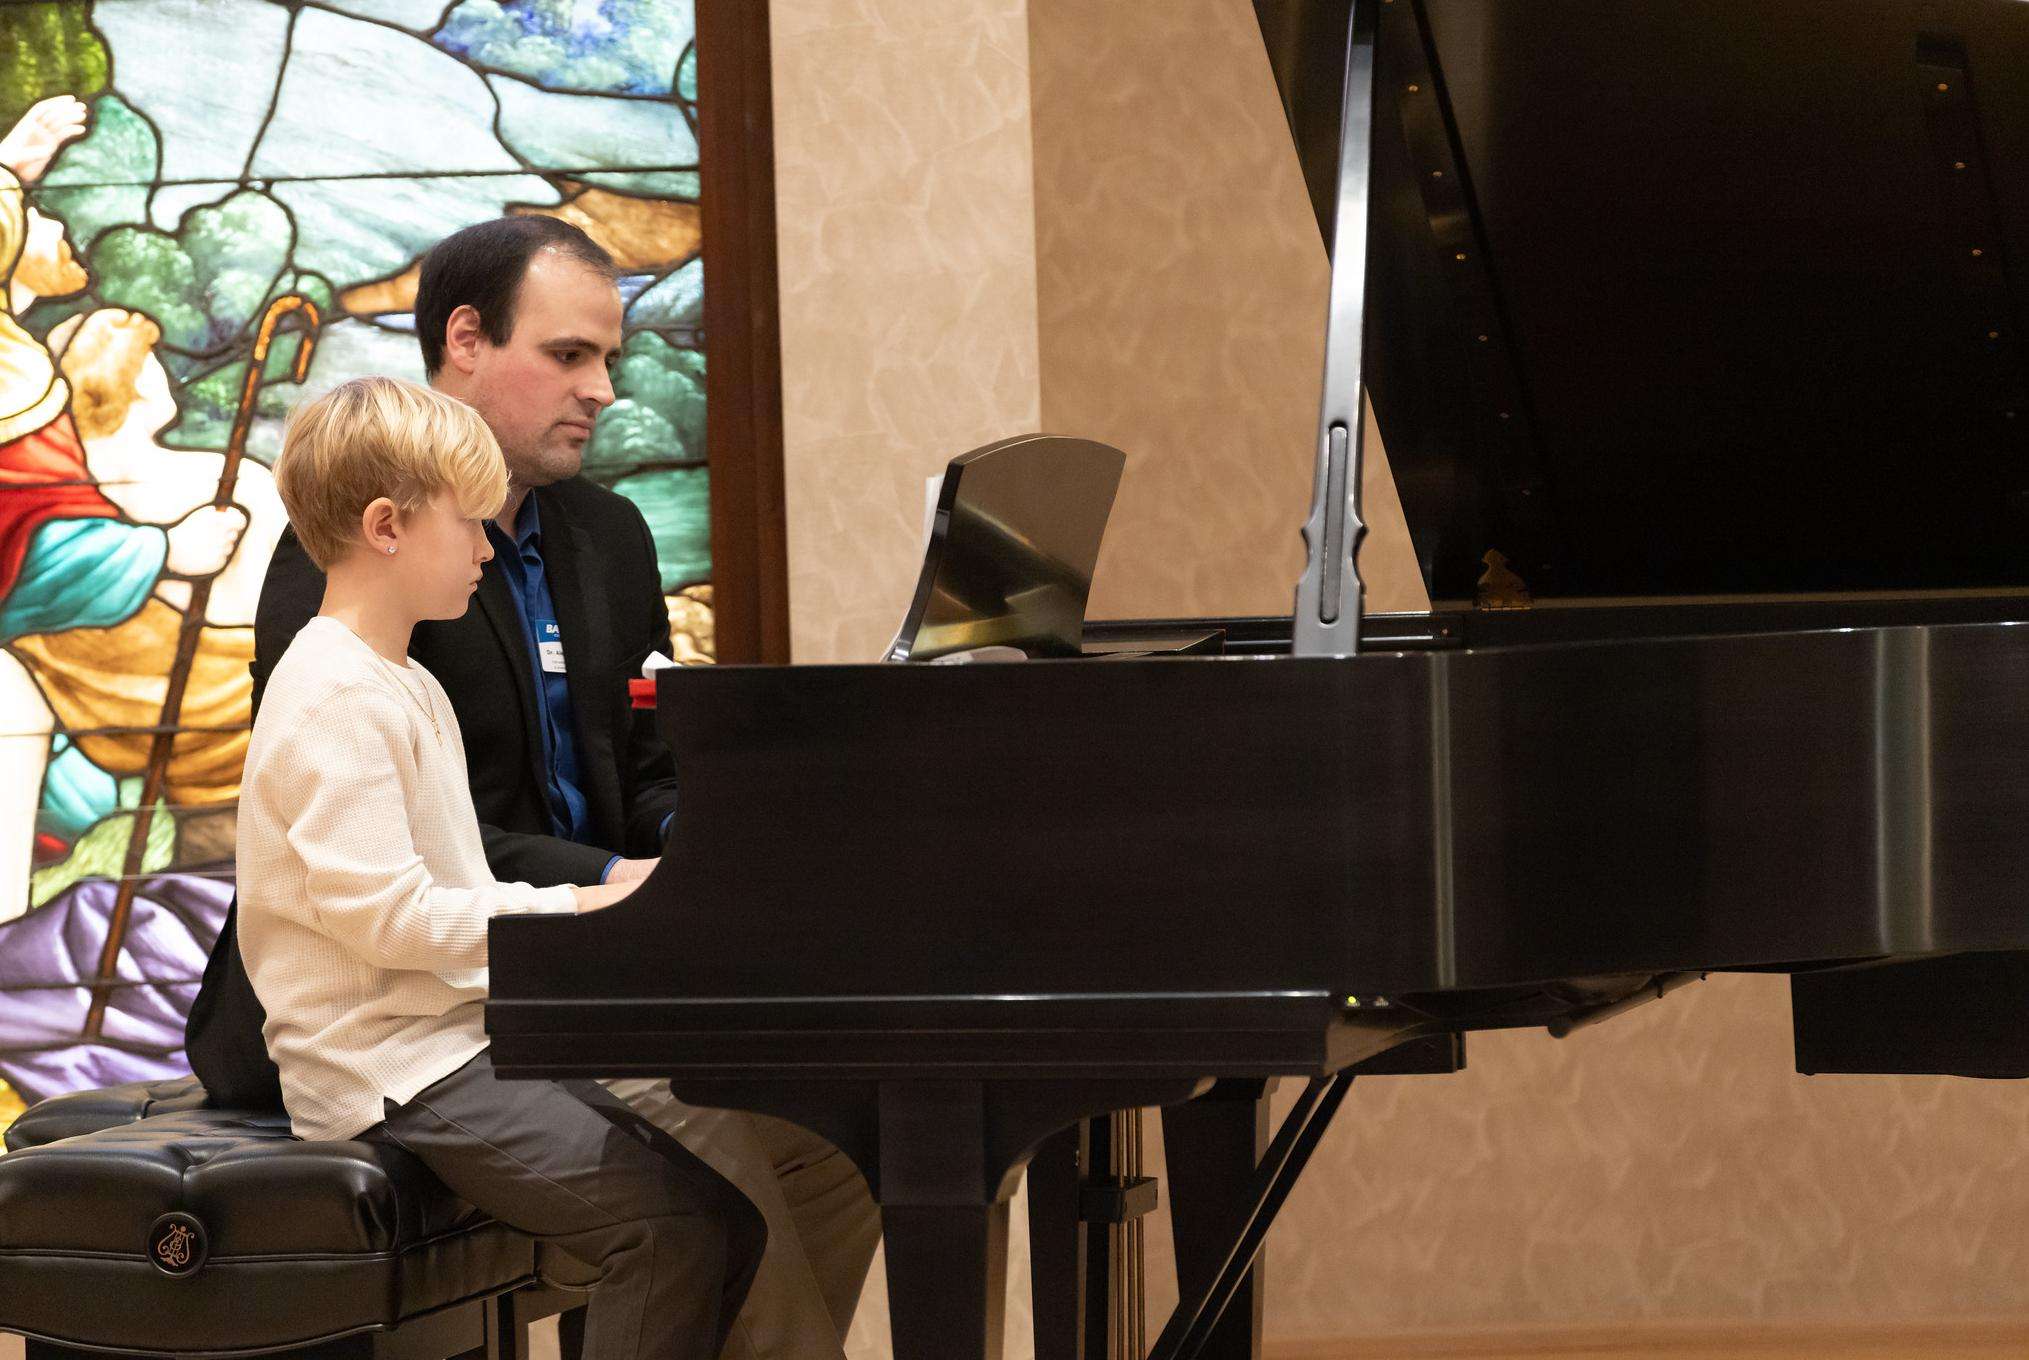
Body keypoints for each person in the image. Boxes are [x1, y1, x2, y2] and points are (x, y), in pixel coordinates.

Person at [188, 216, 880, 1359]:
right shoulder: (346, 632)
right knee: (693, 1206)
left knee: (826, 1141)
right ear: (465, 341)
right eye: (570, 355)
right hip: (415, 1020)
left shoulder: (573, 552)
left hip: (516, 985)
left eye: (609, 358)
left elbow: (642, 765)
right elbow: (392, 896)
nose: (603, 389)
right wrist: (602, 897)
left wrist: (709, 857)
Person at [241, 374, 762, 1359]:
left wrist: (606, 915)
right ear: (387, 525)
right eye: (471, 525)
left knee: (727, 1220)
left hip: (450, 1039)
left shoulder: (399, 678)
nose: (489, 549)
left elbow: (455, 890)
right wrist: (588, 904)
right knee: (671, 1229)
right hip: (387, 1065)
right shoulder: (335, 696)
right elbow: (392, 920)